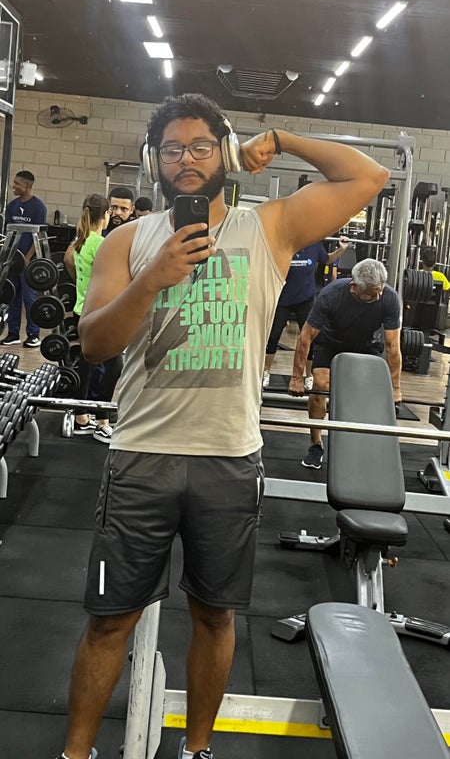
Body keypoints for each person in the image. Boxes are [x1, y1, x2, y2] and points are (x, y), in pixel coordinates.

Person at [54, 93, 389, 759]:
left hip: (229, 459)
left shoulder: (269, 227)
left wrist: (282, 139)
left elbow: (368, 177)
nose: (187, 159)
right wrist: (152, 279)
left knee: (215, 616)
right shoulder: (127, 240)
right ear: (155, 160)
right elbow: (93, 345)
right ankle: (75, 753)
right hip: (141, 456)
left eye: (202, 146)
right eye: (173, 149)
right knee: (108, 621)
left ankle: (197, 748)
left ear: (225, 154)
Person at [289, 258, 402, 470]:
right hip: (331, 343)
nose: (378, 296)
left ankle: (358, 444)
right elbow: (305, 337)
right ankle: (316, 444)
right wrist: (296, 377)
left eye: (380, 291)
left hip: (367, 346)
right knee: (320, 385)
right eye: (372, 294)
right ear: (354, 287)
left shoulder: (389, 298)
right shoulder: (332, 294)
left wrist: (395, 388)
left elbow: (392, 345)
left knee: (367, 395)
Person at [64, 194, 123, 443]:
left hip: (82, 310)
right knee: (114, 366)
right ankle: (102, 421)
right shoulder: (100, 243)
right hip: (100, 313)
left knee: (87, 365)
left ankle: (81, 417)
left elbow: (71, 265)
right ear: (106, 215)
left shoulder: (81, 240)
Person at [262, 236, 349, 389]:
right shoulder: (286, 244)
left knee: (310, 339)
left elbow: (327, 260)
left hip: (306, 299)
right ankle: (266, 372)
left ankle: (309, 376)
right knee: (273, 336)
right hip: (283, 299)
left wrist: (341, 250)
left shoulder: (314, 245)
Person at [0, 170, 47, 347]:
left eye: (17, 183)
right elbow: (8, 234)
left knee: (29, 297)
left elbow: (39, 236)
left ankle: (34, 335)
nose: (14, 186)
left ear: (27, 186)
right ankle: (13, 334)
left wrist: (27, 258)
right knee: (12, 296)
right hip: (12, 260)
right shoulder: (12, 206)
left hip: (29, 261)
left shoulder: (38, 207)